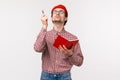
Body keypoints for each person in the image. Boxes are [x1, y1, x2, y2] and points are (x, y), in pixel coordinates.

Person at [34, 4, 84, 80]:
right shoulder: (45, 35)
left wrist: (71, 54)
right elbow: (37, 48)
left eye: (61, 12)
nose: (57, 13)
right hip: (46, 76)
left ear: (66, 18)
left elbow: (79, 62)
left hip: (65, 77)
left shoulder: (72, 38)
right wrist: (44, 26)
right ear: (51, 17)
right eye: (55, 12)